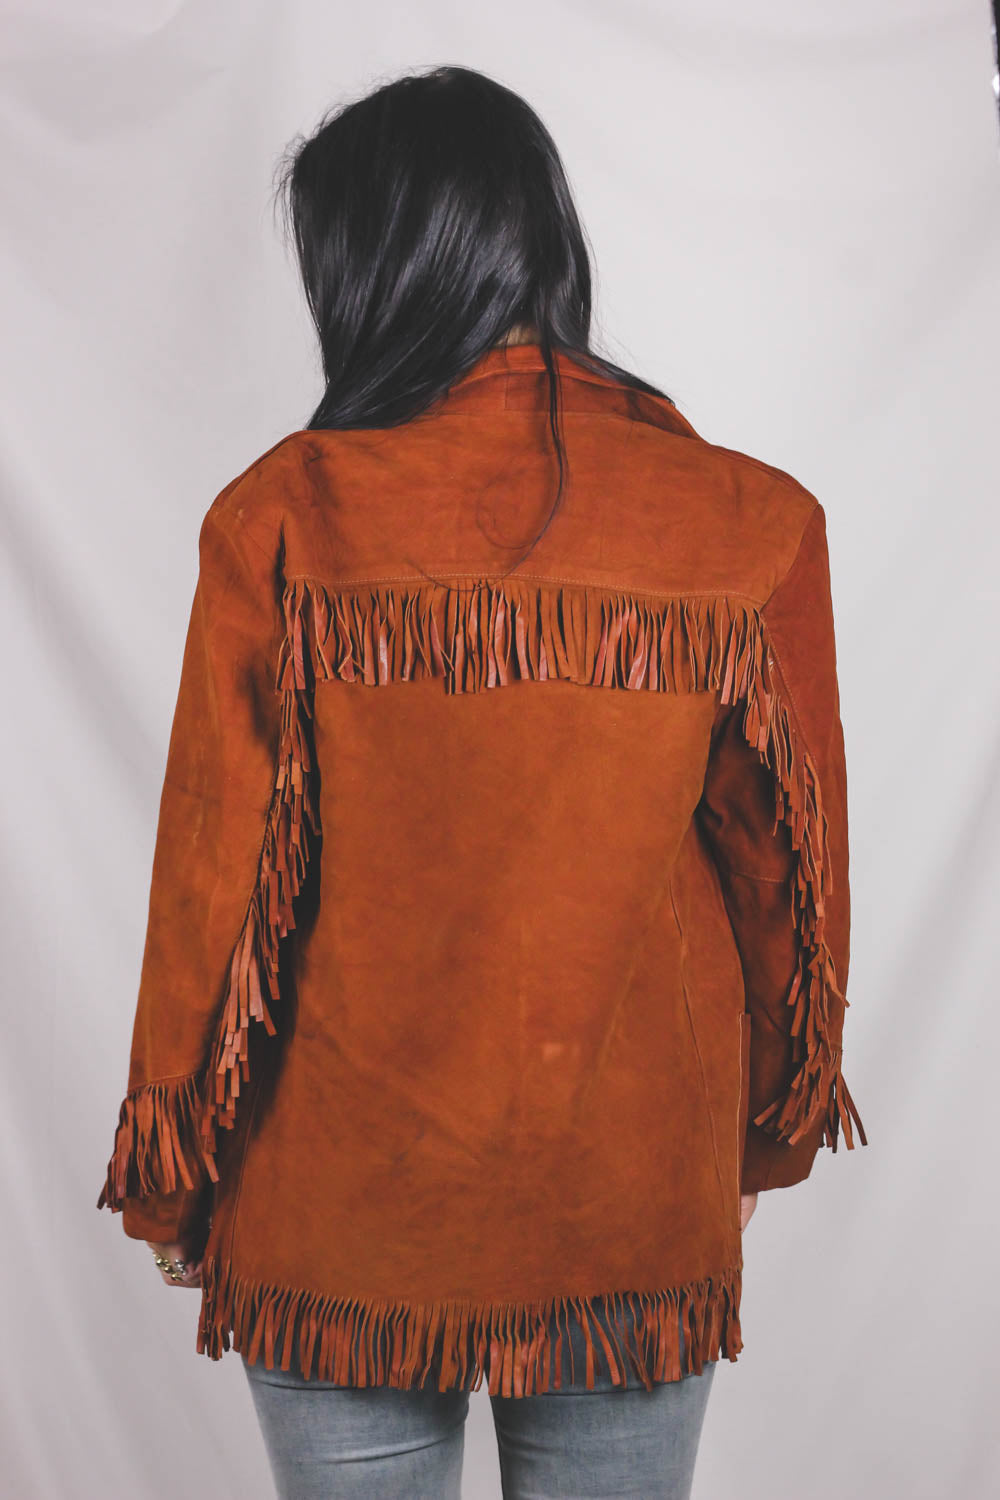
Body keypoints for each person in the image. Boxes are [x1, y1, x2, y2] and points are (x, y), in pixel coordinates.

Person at [96, 62, 868, 1500]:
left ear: (372, 268)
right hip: (628, 1211)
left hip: (339, 1226)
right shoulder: (746, 520)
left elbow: (216, 878)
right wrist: (756, 1144)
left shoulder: (283, 515)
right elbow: (788, 883)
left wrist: (172, 1176)